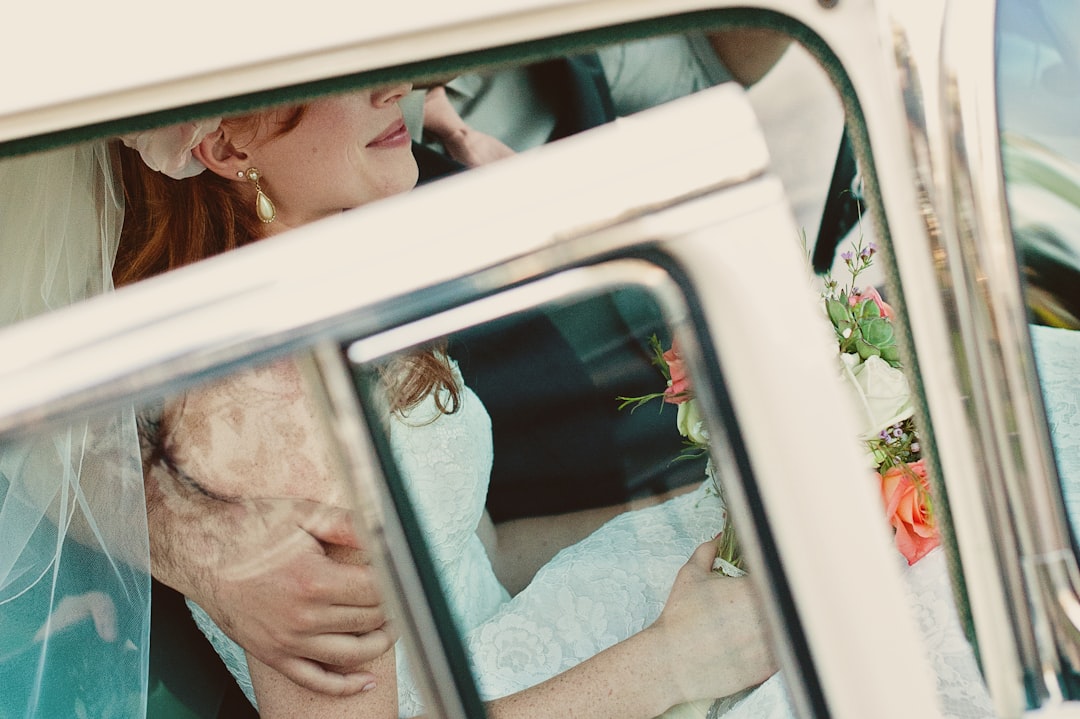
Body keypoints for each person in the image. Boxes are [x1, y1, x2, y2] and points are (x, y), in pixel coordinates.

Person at [117, 84, 778, 718]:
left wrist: (697, 508)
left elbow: (474, 561)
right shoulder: (258, 414)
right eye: (336, 77)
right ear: (230, 151)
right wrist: (670, 662)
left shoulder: (338, 294)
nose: (398, 86)